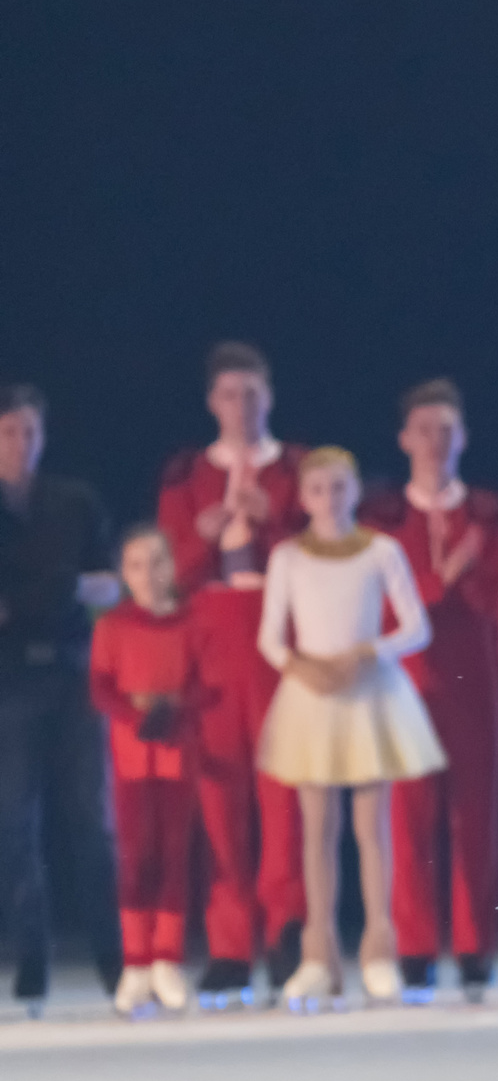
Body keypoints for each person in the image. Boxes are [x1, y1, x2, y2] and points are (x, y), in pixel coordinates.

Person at [254, 448, 445, 1008]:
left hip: (368, 693)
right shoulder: (288, 556)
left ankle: (379, 950)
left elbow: (417, 627)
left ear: (355, 491)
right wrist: (301, 668)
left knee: (372, 829)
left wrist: (369, 652)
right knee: (316, 829)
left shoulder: (381, 550)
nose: (330, 499)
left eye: (339, 487)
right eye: (318, 489)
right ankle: (319, 955)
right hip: (312, 695)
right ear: (303, 497)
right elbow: (269, 638)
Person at [156, 341, 310, 998]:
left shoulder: (295, 467)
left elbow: (320, 549)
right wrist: (204, 534)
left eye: (251, 394)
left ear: (268, 398)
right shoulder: (188, 474)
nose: (241, 406)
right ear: (211, 403)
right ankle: (229, 945)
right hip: (213, 637)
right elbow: (169, 572)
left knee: (284, 795)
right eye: (229, 395)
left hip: (276, 634)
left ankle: (286, 931)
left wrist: (273, 525)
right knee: (220, 800)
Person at [360, 379, 498, 1005]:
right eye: (424, 431)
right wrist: (441, 577)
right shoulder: (382, 519)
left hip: (473, 676)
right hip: (407, 680)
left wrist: (457, 583)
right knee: (410, 818)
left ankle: (475, 949)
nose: (435, 442)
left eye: (446, 430)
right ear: (404, 440)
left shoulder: (488, 514)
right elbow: (379, 603)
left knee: (475, 816)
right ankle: (416, 948)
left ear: (463, 438)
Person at [0, 384, 121, 1014]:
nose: (21, 443)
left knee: (91, 820)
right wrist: (55, 590)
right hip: (9, 680)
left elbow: (110, 584)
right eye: (9, 432)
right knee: (14, 822)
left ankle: (114, 957)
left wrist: (56, 590)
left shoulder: (75, 502)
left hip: (73, 672)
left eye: (30, 432)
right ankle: (32, 959)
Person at [88, 525, 209, 1017]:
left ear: (172, 567)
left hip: (178, 750)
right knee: (137, 855)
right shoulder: (113, 626)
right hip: (132, 754)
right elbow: (101, 687)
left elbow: (204, 680)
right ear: (124, 573)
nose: (148, 574)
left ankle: (167, 958)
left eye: (157, 562)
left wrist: (174, 708)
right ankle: (136, 960)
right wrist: (137, 715)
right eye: (137, 565)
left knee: (174, 852)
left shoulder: (190, 622)